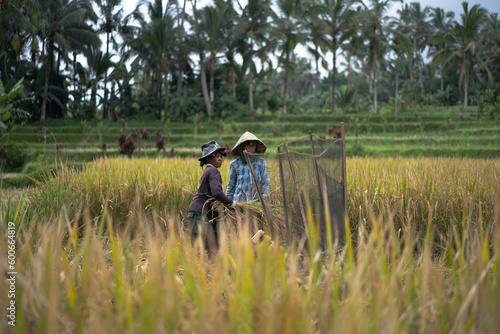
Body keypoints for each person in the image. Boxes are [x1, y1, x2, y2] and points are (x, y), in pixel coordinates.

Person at [187, 140, 236, 249]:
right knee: (205, 248)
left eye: (221, 156)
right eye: (216, 156)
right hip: (201, 213)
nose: (220, 158)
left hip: (202, 212)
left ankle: (209, 265)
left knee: (208, 247)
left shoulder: (208, 170)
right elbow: (217, 192)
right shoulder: (213, 171)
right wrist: (232, 203)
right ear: (208, 158)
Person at [227, 132, 270, 203]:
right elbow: (231, 185)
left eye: (253, 145)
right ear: (243, 147)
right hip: (240, 203)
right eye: (248, 145)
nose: (251, 148)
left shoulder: (260, 163)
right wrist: (228, 202)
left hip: (257, 202)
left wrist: (264, 198)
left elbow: (265, 182)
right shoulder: (234, 164)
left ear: (256, 147)